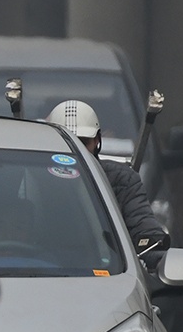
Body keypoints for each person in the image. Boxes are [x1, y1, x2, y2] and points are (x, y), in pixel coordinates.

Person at [46, 100, 166, 253]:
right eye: (65, 142)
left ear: (97, 141)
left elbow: (144, 228)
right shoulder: (25, 179)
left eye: (82, 142)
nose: (75, 151)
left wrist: (155, 252)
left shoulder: (123, 180)